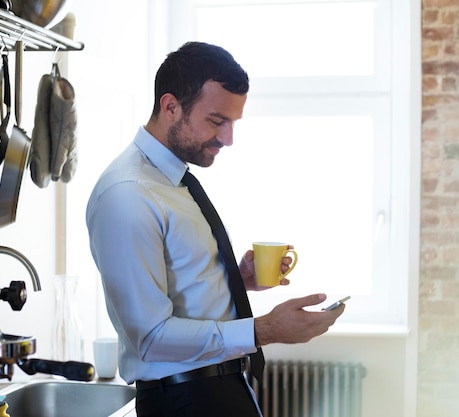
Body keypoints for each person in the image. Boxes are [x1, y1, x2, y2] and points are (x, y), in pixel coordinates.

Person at [86, 41, 345, 417]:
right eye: (216, 121)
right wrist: (265, 330)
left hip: (220, 388)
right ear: (170, 106)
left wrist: (237, 279)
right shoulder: (127, 195)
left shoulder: (171, 180)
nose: (228, 139)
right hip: (184, 400)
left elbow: (179, 286)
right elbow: (151, 337)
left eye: (233, 123)